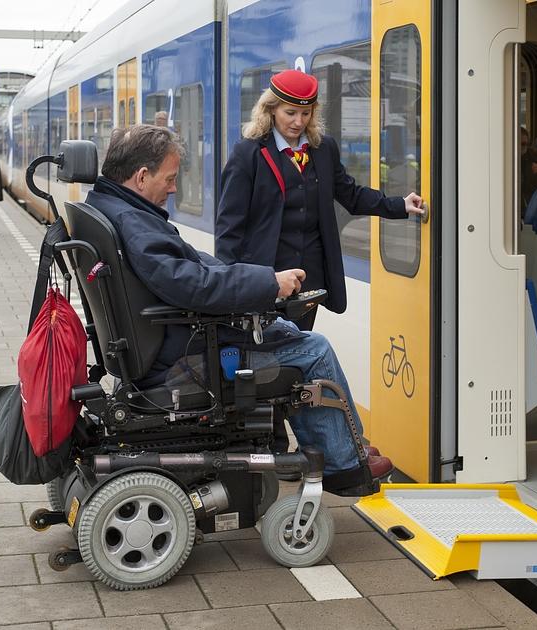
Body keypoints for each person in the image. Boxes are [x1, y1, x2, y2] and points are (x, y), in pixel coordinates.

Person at [84, 124, 392, 495]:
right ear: (142, 176)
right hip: (184, 358)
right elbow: (189, 285)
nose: (174, 187)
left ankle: (348, 441)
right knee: (314, 349)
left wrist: (255, 277)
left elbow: (189, 266)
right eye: (170, 178)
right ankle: (345, 466)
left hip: (169, 344)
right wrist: (267, 284)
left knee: (291, 333)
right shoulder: (135, 222)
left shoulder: (114, 207)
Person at [216, 69, 425, 332]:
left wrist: (398, 205)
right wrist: (227, 283)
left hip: (309, 278)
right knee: (266, 355)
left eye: (306, 113)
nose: (298, 121)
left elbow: (350, 194)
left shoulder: (323, 149)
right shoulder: (248, 153)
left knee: (300, 347)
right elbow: (229, 223)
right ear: (271, 110)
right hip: (266, 275)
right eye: (290, 113)